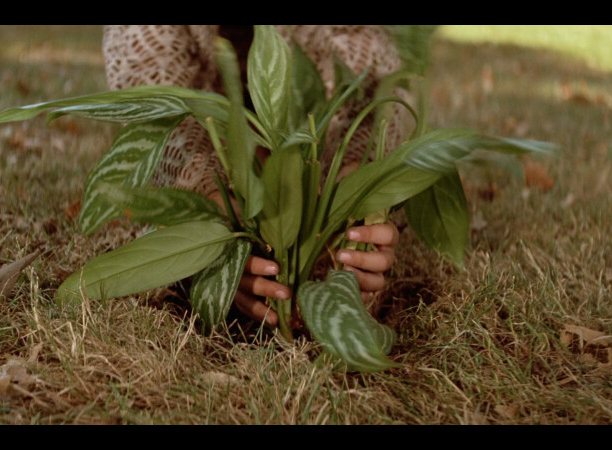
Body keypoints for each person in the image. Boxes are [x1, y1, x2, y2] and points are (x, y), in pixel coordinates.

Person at [102, 25, 410, 325]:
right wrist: (212, 210)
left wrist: (356, 192)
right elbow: (157, 97)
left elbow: (370, 81)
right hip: (223, 144)